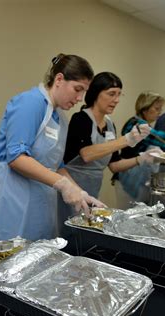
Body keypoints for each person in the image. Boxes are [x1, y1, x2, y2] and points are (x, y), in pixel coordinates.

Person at [0, 53, 104, 242]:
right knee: (12, 259)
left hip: (42, 202)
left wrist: (81, 193)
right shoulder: (30, 103)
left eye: (84, 92)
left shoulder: (60, 118)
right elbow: (16, 158)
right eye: (77, 89)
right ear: (59, 79)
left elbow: (57, 166)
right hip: (16, 197)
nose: (80, 98)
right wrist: (62, 184)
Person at [57, 72, 158, 237]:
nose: (116, 100)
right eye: (111, 94)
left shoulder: (110, 125)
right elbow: (87, 154)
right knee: (66, 234)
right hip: (70, 192)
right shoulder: (81, 119)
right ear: (96, 93)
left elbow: (115, 165)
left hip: (91, 192)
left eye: (119, 95)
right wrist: (127, 139)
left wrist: (142, 158)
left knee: (84, 235)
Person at [112, 91, 165, 208]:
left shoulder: (143, 124)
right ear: (144, 108)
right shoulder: (137, 125)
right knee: (126, 216)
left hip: (137, 176)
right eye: (157, 109)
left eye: (160, 109)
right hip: (126, 176)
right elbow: (157, 137)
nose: (159, 113)